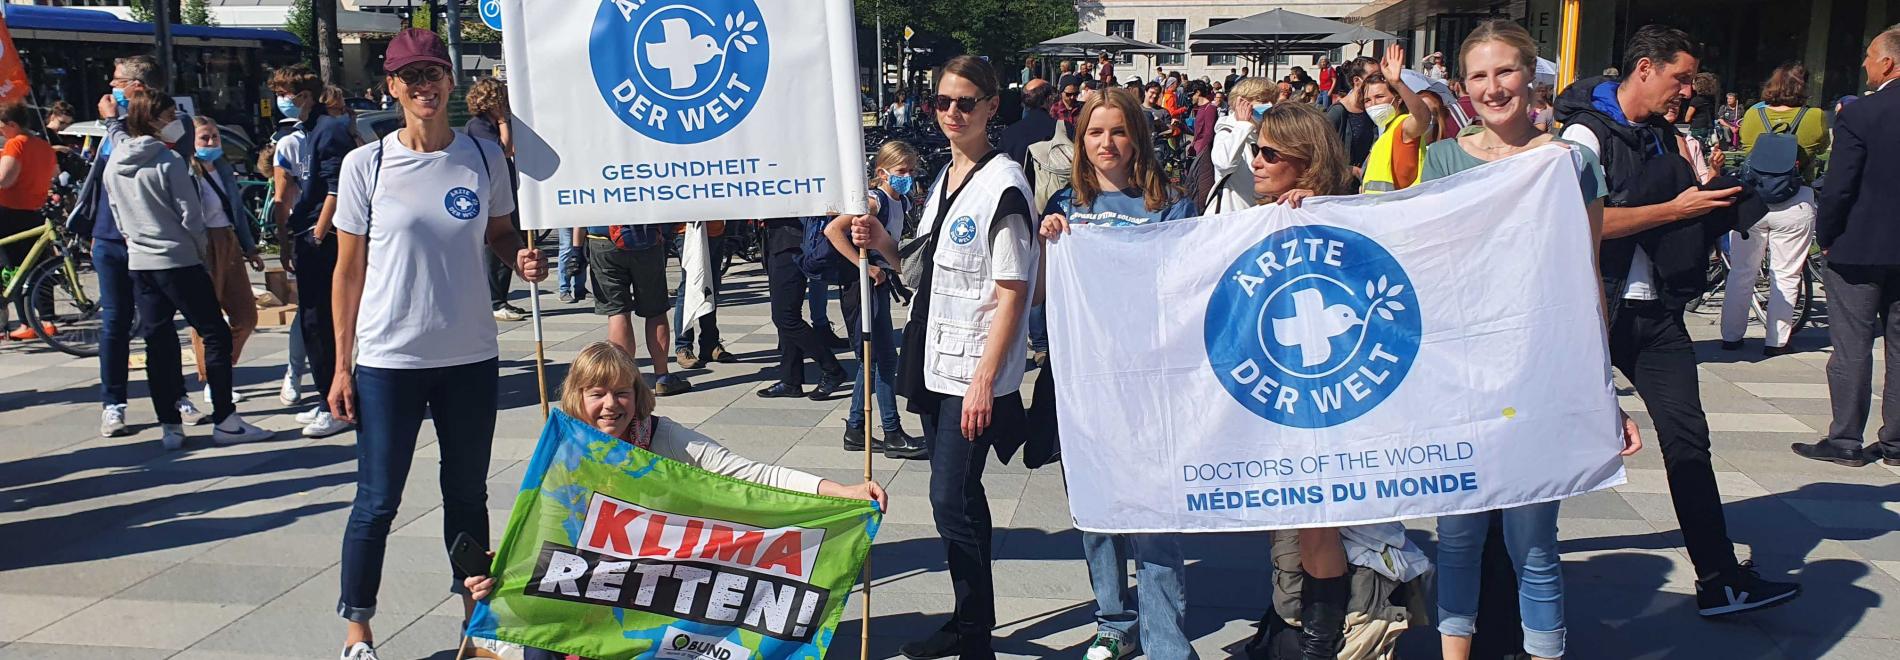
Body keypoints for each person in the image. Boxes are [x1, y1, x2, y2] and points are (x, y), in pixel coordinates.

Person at [1555, 24, 1801, 616]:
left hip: (1656, 312)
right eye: (1680, 77)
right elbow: (1579, 226)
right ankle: (1507, 576)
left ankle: (1719, 578)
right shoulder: (1584, 135)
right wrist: (1676, 206)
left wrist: (1719, 202)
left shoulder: (1666, 136)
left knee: (1689, 440)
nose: (1688, 90)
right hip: (1591, 309)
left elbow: (1675, 220)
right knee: (1547, 444)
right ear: (1644, 69)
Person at [1419, 21, 1643, 660]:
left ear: (1531, 77)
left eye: (1505, 72)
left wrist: (1605, 392)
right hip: (1459, 377)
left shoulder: (1571, 161)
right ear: (1463, 87)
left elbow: (1585, 276)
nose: (1494, 88)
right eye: (1480, 76)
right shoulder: (1442, 161)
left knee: (1535, 544)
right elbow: (1408, 257)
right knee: (1457, 539)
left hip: (1537, 374)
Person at [325, 29, 546, 660]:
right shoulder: (366, 164)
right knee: (377, 500)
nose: (425, 86)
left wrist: (521, 257)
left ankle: (474, 621)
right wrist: (341, 365)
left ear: (451, 82)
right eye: (411, 76)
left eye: (435, 74)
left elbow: (500, 233)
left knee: (467, 492)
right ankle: (359, 629)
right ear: (391, 86)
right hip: (389, 360)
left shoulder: (479, 158)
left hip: (470, 357)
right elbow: (347, 273)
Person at [462, 341, 886, 659]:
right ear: (578, 397)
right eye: (597, 393)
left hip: (663, 581)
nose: (611, 405)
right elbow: (547, 532)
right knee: (537, 636)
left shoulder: (662, 436)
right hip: (593, 576)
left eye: (622, 392)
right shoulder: (566, 451)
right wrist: (502, 567)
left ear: (637, 394)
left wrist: (841, 491)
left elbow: (752, 477)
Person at [848, 55, 1036, 660]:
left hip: (971, 370)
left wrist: (986, 381)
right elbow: (928, 269)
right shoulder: (946, 179)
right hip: (934, 357)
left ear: (990, 107)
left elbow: (1013, 290)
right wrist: (881, 244)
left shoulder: (1004, 183)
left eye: (966, 102)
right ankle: (969, 619)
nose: (952, 112)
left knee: (948, 497)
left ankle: (975, 634)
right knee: (959, 495)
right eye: (943, 102)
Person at [1038, 88, 1197, 660]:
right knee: (1098, 504)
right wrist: (1049, 242)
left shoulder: (1170, 203)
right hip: (1087, 381)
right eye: (1095, 132)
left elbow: (1191, 283)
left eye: (1119, 132)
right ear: (1081, 140)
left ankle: (1166, 637)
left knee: (1156, 511)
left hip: (1152, 381)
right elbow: (1041, 294)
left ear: (1138, 138)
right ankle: (1113, 619)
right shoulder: (1065, 203)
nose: (1107, 144)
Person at [1240, 102, 1362, 659]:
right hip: (1282, 391)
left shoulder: (1337, 213)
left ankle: (1319, 642)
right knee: (1289, 520)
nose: (1257, 161)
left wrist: (1318, 212)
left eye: (1269, 153)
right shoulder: (1265, 210)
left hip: (1327, 393)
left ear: (1306, 161)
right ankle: (1291, 621)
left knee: (1318, 521)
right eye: (1254, 149)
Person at [105, 92, 273, 450]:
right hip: (178, 259)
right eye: (169, 115)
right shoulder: (169, 162)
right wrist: (195, 250)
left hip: (140, 261)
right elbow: (190, 215)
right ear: (154, 119)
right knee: (214, 332)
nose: (175, 121)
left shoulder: (115, 161)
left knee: (158, 341)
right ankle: (226, 418)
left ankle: (170, 424)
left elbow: (119, 215)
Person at [69, 55, 214, 436]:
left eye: (118, 81)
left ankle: (175, 397)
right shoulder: (112, 128)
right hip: (110, 238)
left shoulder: (172, 125)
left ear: (137, 87)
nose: (111, 87)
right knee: (115, 322)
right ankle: (113, 402)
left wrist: (113, 122)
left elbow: (135, 150)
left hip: (150, 244)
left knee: (159, 327)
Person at [1795, 24, 1900, 467]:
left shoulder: (1861, 114)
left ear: (1889, 62)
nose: (1864, 64)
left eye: (1870, 55)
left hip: (1858, 246)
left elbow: (1839, 187)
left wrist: (1827, 238)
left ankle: (1845, 439)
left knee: (1852, 344)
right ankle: (1896, 442)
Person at [823, 142, 929, 460]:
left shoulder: (902, 200)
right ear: (882, 173)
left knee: (873, 360)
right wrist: (863, 265)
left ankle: (856, 428)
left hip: (880, 283)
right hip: (862, 286)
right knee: (884, 361)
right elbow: (833, 230)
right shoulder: (874, 201)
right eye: (901, 172)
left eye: (911, 171)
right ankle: (892, 431)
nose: (907, 177)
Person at [1720, 63, 1829, 356]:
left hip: (1753, 200)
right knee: (1787, 272)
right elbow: (1821, 146)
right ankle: (1776, 341)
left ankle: (1731, 336)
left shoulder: (1755, 113)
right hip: (1795, 200)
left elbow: (1744, 145)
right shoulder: (1814, 116)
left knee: (1741, 271)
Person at [272, 61, 356, 438]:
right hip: (307, 232)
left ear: (304, 96)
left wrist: (319, 234)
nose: (280, 102)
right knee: (311, 322)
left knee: (320, 322)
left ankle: (334, 404)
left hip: (323, 237)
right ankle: (327, 397)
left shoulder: (329, 129)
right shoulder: (304, 131)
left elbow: (336, 187)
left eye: (284, 95)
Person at [184, 116, 265, 404]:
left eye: (215, 137)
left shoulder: (222, 168)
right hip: (202, 244)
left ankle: (222, 368)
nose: (211, 143)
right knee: (208, 318)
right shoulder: (186, 171)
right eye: (204, 138)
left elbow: (237, 210)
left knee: (246, 315)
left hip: (227, 239)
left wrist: (250, 247)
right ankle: (212, 380)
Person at [756, 212, 849, 401]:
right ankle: (791, 380)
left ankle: (831, 368)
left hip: (792, 241)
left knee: (785, 317)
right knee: (787, 315)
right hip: (777, 238)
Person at [462, 77, 529, 322]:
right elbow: (505, 150)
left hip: (505, 190)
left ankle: (501, 298)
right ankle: (496, 301)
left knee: (509, 240)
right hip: (490, 197)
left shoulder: (488, 125)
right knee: (497, 246)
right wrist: (502, 121)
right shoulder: (479, 126)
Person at [0, 101, 58, 340]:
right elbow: (52, 174)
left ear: (13, 124)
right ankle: (47, 320)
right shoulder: (43, 146)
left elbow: (5, 179)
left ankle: (25, 323)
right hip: (34, 210)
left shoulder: (16, 144)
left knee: (13, 268)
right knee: (39, 266)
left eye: (1, 126)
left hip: (7, 211)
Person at [1359, 45, 1443, 193]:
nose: (1373, 105)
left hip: (1397, 211)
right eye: (1367, 100)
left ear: (1398, 100)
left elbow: (1423, 118)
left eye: (1379, 97)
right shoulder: (1385, 134)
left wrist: (1398, 84)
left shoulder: (1402, 126)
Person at [1207, 77, 1276, 213]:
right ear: (1241, 103)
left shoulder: (1262, 131)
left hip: (1258, 213)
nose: (1268, 105)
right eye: (1262, 100)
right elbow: (1224, 164)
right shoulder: (1227, 130)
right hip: (1232, 215)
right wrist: (1243, 126)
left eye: (1271, 101)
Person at [1326, 57, 1383, 173]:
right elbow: (1322, 155)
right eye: (1373, 77)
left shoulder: (1373, 108)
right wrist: (1351, 170)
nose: (1379, 82)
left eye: (1381, 77)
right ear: (1357, 81)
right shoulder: (1337, 112)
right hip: (1343, 185)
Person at [1686, 72, 1719, 145]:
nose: (1692, 85)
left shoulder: (1696, 100)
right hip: (1709, 126)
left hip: (1697, 128)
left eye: (1693, 84)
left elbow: (1687, 118)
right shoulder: (1711, 99)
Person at [1187, 81, 1218, 159]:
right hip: (1195, 150)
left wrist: (1200, 153)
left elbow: (1209, 134)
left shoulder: (1210, 108)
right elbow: (1197, 132)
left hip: (1202, 154)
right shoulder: (1200, 108)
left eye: (1191, 95)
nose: (1189, 98)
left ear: (1197, 92)